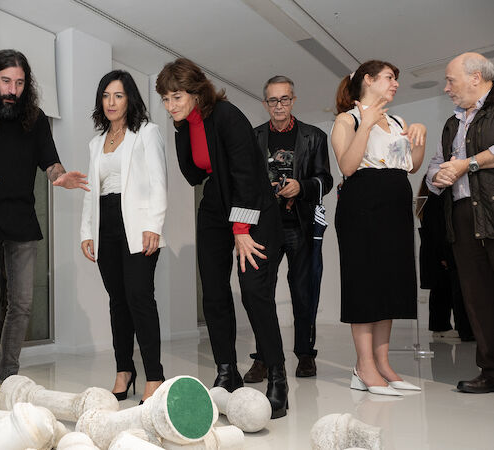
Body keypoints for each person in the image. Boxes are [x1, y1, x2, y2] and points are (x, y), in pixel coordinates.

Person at [0, 49, 89, 407]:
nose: (13, 89)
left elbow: (50, 163)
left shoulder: (34, 119)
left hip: (22, 219)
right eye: (6, 81)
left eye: (20, 83)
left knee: (21, 304)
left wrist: (60, 176)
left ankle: (7, 379)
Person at [155, 58, 288, 419]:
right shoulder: (185, 124)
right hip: (216, 202)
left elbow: (246, 173)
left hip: (253, 204)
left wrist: (241, 229)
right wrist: (182, 128)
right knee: (213, 291)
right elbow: (193, 173)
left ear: (196, 92)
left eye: (177, 97)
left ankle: (277, 377)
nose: (170, 106)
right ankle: (227, 372)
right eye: (165, 99)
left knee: (254, 291)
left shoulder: (227, 116)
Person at [331, 59, 426, 396]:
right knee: (364, 284)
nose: (395, 83)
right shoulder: (347, 119)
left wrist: (420, 136)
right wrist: (366, 125)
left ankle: (383, 364)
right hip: (361, 207)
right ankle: (364, 366)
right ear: (368, 80)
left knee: (390, 284)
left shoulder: (398, 121)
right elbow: (347, 166)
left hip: (396, 207)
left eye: (396, 79)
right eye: (389, 77)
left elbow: (412, 166)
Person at [80, 70, 167, 404]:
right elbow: (92, 190)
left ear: (130, 98)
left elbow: (158, 181)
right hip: (105, 225)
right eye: (106, 96)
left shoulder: (146, 132)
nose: (111, 102)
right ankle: (124, 370)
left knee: (139, 298)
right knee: (118, 301)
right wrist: (87, 231)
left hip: (138, 225)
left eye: (118, 95)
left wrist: (154, 226)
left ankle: (155, 375)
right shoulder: (96, 143)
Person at [245, 76, 333, 381]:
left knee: (304, 292)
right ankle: (263, 358)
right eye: (273, 100)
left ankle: (305, 355)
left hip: (300, 224)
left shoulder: (314, 137)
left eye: (284, 99)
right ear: (265, 103)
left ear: (293, 100)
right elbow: (245, 181)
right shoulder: (253, 137)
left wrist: (302, 186)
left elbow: (326, 180)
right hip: (263, 227)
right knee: (260, 293)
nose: (279, 105)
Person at [426, 52, 494, 393]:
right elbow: (436, 165)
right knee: (477, 298)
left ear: (475, 78)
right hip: (463, 216)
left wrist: (466, 164)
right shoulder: (452, 123)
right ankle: (490, 370)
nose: (446, 87)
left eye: (451, 80)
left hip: (492, 209)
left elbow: (469, 162)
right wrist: (437, 176)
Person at [417, 178, 473, 341]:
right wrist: (444, 255)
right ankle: (442, 327)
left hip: (437, 253)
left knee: (442, 290)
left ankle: (442, 327)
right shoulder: (436, 201)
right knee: (444, 291)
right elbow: (439, 230)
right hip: (441, 253)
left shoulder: (428, 200)